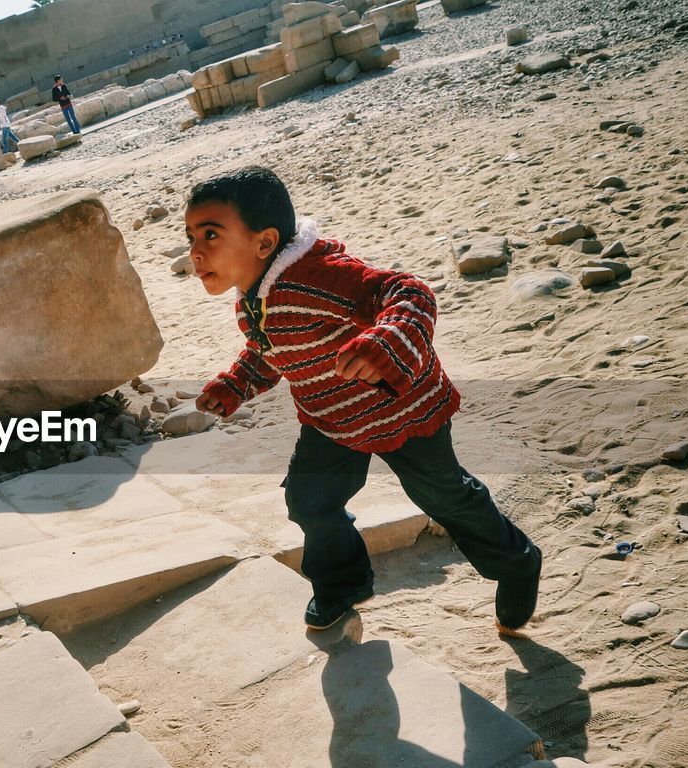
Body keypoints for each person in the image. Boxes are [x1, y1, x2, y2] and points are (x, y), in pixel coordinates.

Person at [186, 166, 542, 633]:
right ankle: (342, 586)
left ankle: (516, 561)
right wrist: (235, 384)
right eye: (191, 235)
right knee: (310, 501)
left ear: (265, 242)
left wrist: (386, 343)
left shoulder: (320, 276)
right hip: (331, 420)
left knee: (444, 497)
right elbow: (268, 352)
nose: (195, 252)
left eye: (211, 234)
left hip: (403, 409)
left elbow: (408, 292)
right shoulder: (253, 299)